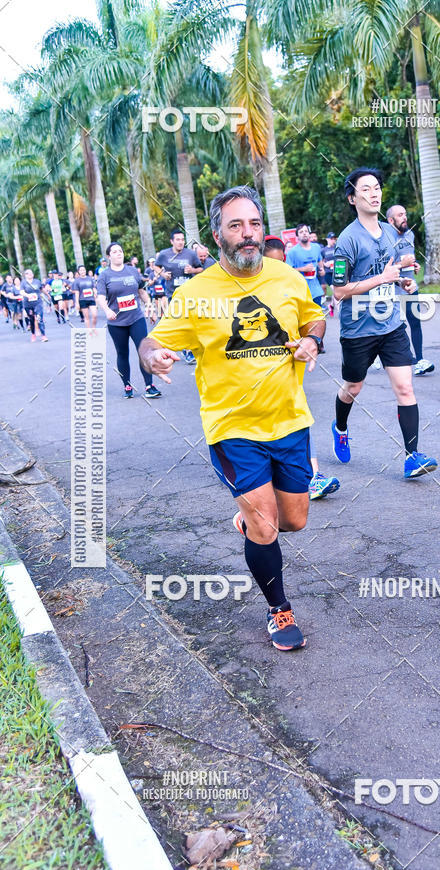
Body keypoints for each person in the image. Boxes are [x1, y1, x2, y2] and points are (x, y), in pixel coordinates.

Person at [139, 186, 326, 651]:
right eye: (236, 225)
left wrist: (313, 341)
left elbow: (314, 317)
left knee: (295, 521)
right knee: (266, 525)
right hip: (233, 428)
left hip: (289, 421)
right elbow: (149, 343)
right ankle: (279, 610)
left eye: (254, 224)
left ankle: (247, 522)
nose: (247, 234)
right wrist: (154, 358)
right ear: (217, 234)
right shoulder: (196, 293)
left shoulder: (287, 278)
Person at [331, 167, 437, 479]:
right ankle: (340, 427)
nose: (374, 193)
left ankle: (412, 456)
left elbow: (388, 272)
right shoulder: (347, 242)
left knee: (405, 387)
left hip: (390, 324)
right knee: (353, 386)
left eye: (377, 188)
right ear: (353, 198)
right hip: (358, 330)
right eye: (366, 189)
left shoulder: (391, 233)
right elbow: (339, 291)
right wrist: (383, 277)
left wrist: (400, 280)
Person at [263, 236, 340, 501]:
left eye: (280, 262)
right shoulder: (245, 289)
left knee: (300, 418)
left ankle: (313, 477)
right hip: (253, 376)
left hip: (286, 370)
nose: (276, 267)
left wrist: (311, 340)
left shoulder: (289, 283)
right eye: (269, 263)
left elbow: (312, 319)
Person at [96, 242, 161, 398]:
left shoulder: (132, 271)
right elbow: (100, 297)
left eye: (120, 251)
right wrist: (107, 310)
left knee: (144, 350)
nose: (119, 253)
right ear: (109, 256)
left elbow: (142, 292)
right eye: (115, 251)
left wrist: (150, 308)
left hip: (136, 318)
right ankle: (127, 386)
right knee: (122, 353)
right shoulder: (105, 275)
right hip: (116, 322)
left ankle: (149, 386)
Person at [386, 204, 434, 375]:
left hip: (410, 286)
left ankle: (420, 360)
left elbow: (408, 258)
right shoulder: (385, 239)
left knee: (415, 322)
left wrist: (413, 265)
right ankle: (383, 357)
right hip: (392, 289)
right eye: (400, 215)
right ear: (391, 220)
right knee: (394, 326)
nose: (405, 217)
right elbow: (383, 268)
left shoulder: (410, 234)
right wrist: (402, 265)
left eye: (405, 214)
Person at [154, 228, 204, 362]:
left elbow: (200, 269)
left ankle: (188, 349)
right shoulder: (165, 254)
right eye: (178, 240)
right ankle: (187, 350)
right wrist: (163, 274)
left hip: (190, 293)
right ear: (172, 241)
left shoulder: (190, 254)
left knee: (192, 320)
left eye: (182, 239)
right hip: (173, 293)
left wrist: (192, 270)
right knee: (182, 320)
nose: (181, 242)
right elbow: (156, 266)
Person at [286, 224, 325, 307]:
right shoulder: (292, 252)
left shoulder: (316, 247)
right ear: (297, 236)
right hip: (301, 292)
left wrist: (322, 269)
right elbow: (287, 272)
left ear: (309, 234)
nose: (304, 233)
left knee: (318, 317)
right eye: (301, 232)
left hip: (316, 290)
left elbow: (319, 259)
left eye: (306, 231)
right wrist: (303, 269)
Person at [21, 269, 48, 342]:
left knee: (39, 318)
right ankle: (33, 334)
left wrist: (48, 295)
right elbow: (22, 292)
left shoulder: (37, 281)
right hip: (28, 304)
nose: (29, 274)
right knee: (32, 319)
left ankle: (43, 335)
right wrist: (27, 295)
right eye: (27, 273)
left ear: (33, 274)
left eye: (30, 273)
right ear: (25, 275)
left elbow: (42, 289)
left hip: (38, 303)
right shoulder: (23, 283)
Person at [73, 264, 97, 330]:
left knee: (95, 315)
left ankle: (93, 328)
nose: (83, 271)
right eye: (81, 270)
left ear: (85, 270)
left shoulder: (90, 279)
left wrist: (96, 294)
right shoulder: (77, 281)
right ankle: (89, 331)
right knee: (86, 317)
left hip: (91, 299)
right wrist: (77, 303)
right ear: (78, 272)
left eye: (84, 270)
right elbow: (77, 293)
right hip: (82, 300)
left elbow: (94, 288)